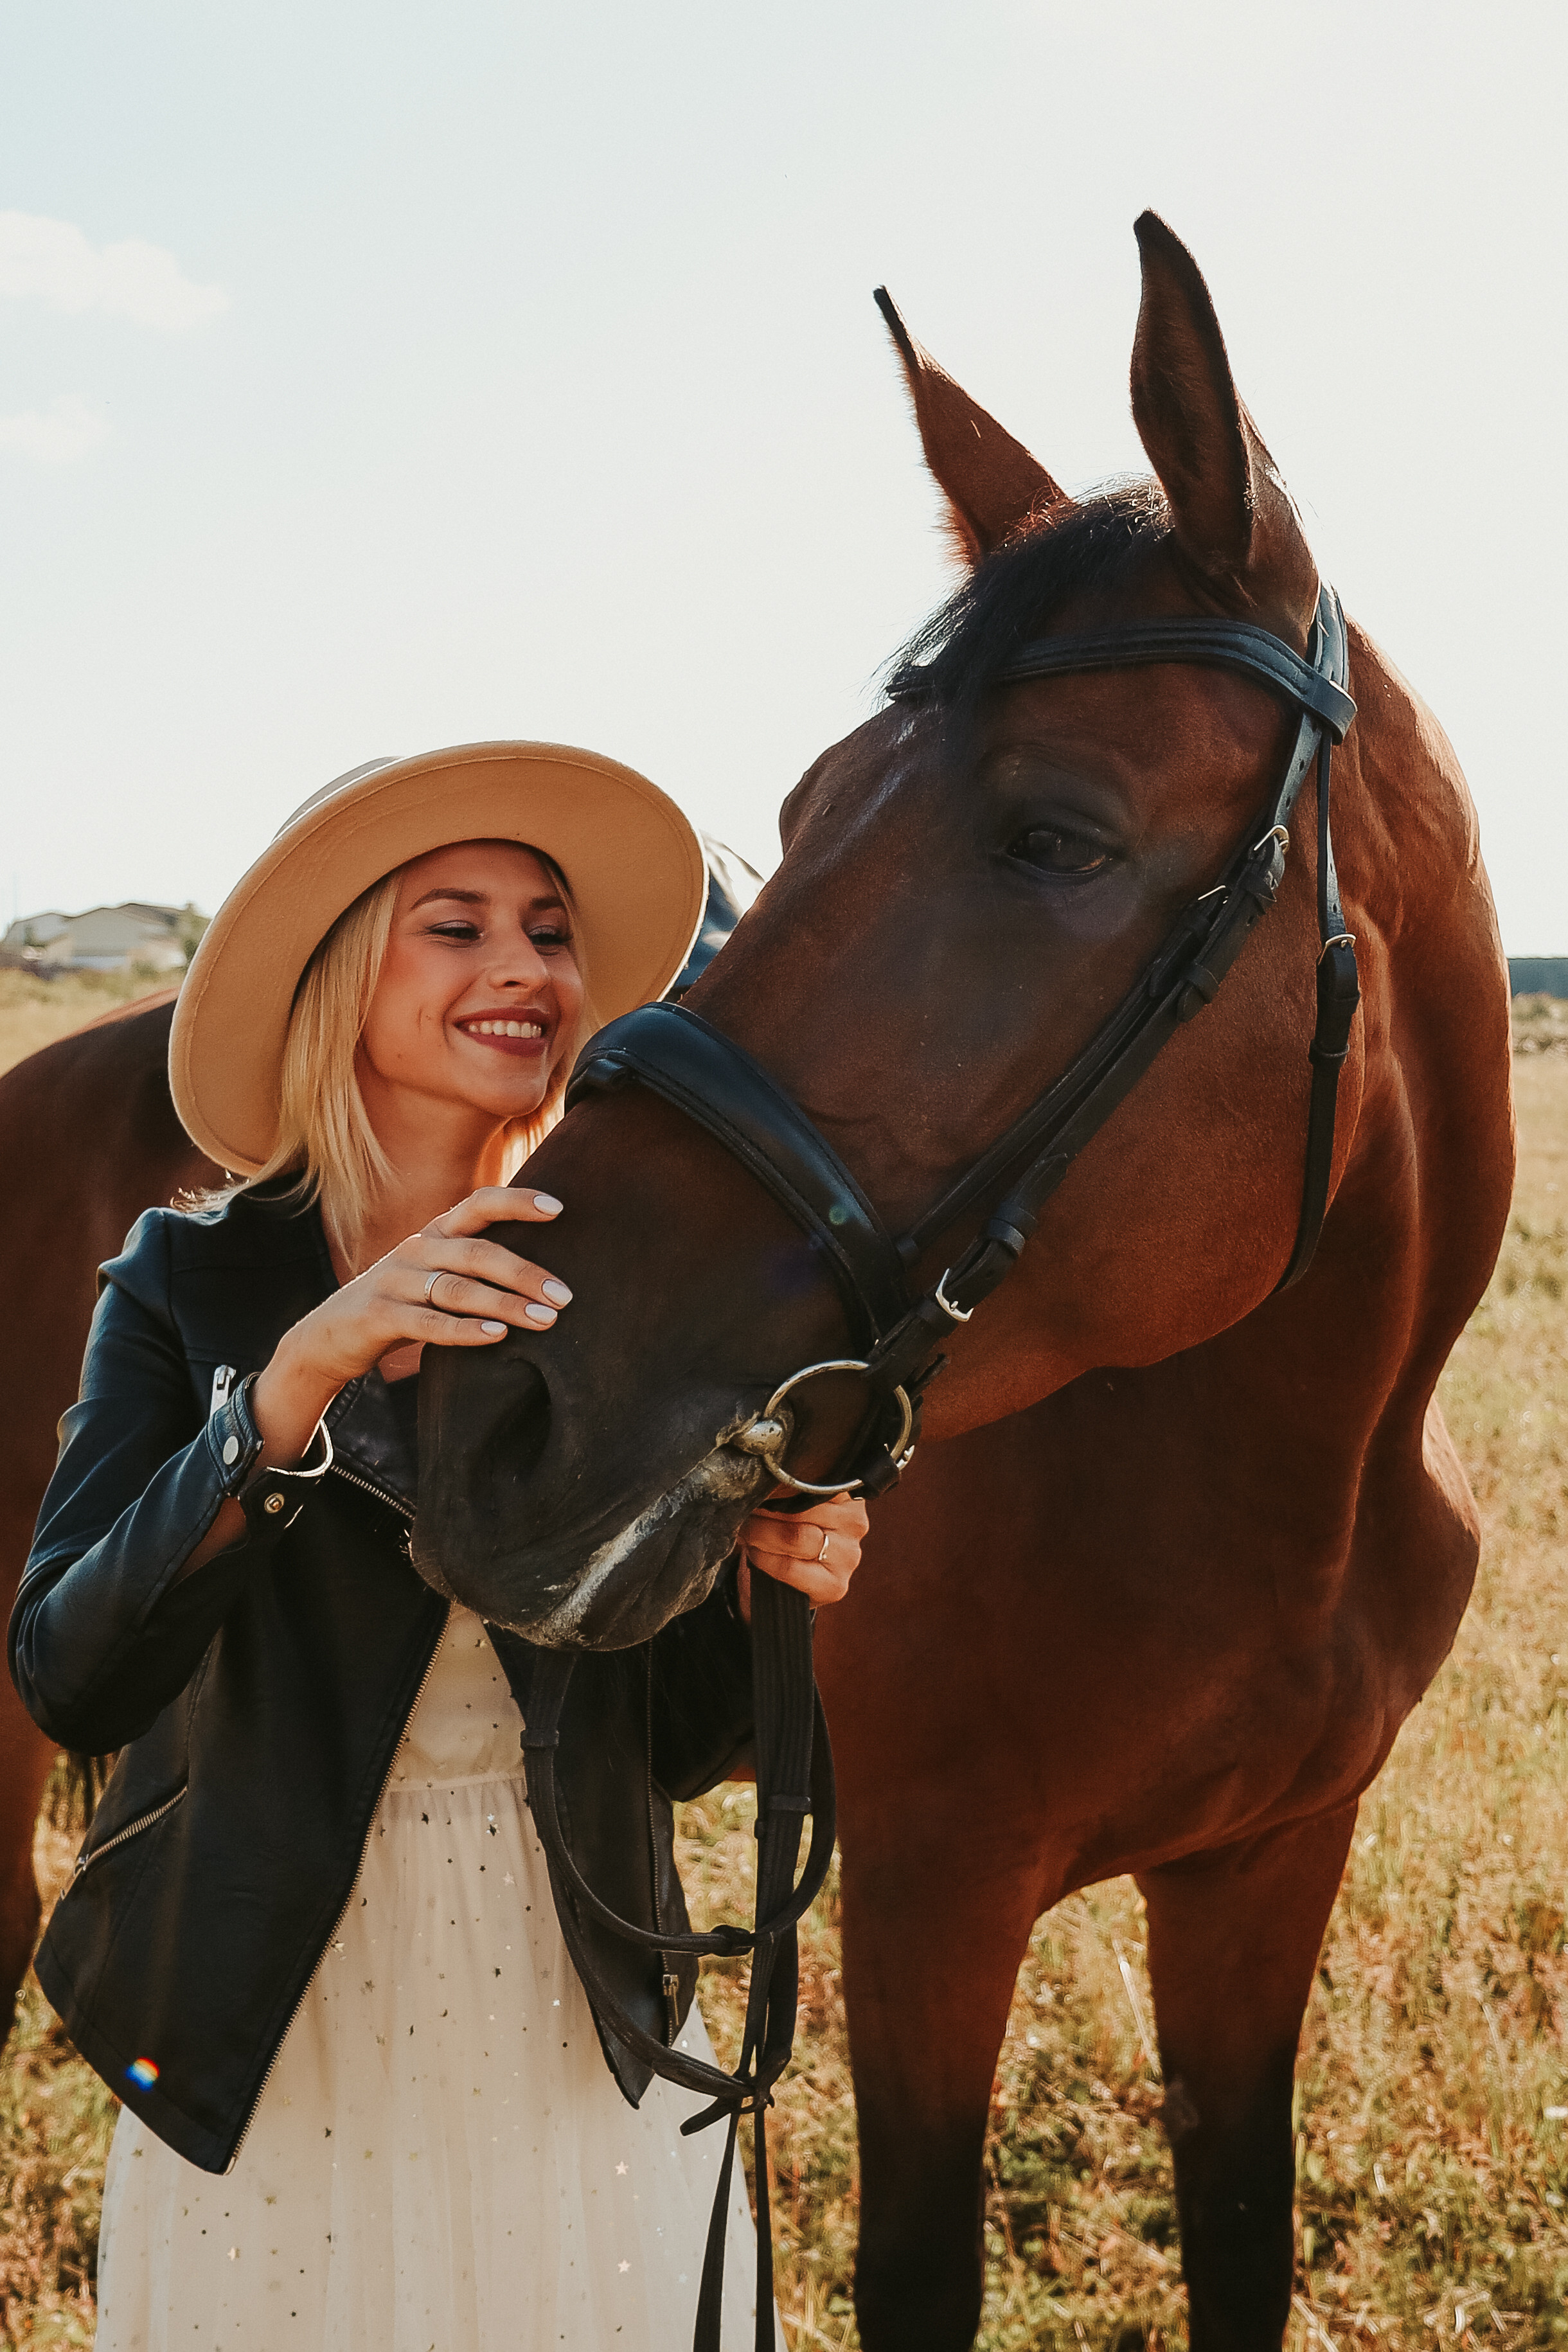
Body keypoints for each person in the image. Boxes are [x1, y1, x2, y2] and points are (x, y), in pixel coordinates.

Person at [10, 743, 866, 2352]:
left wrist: (761, 1588)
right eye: (455, 926)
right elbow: (73, 1672)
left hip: (573, 1995)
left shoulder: (622, 1290)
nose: (525, 969)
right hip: (265, 2011)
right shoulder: (187, 1285)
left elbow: (677, 1740)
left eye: (547, 931)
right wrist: (289, 1389)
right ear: (345, 978)